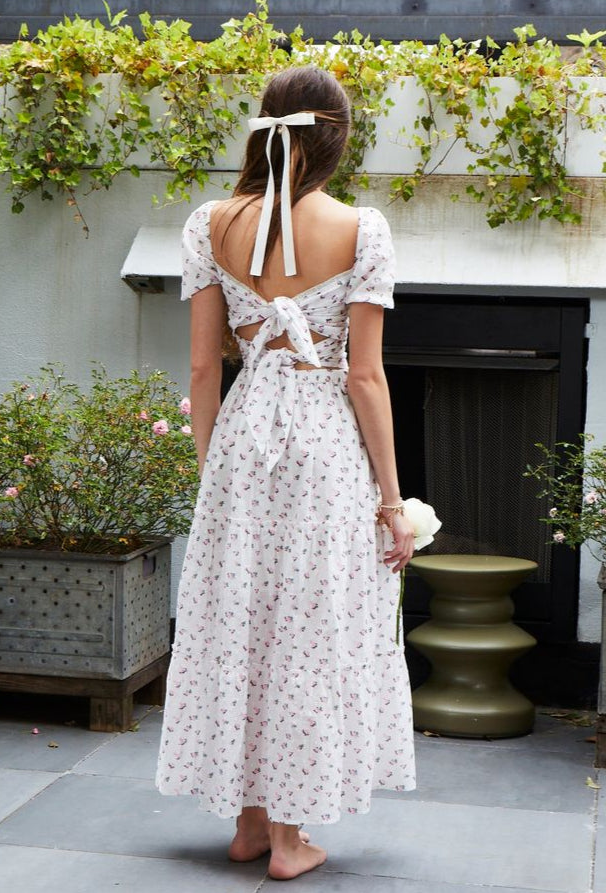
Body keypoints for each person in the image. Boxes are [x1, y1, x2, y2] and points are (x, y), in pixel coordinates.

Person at [155, 65, 416, 882]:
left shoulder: (209, 223)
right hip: (321, 447)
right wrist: (391, 502)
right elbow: (364, 376)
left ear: (264, 130)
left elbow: (204, 369)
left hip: (242, 442)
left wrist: (212, 474)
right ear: (336, 139)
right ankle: (289, 837)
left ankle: (246, 822)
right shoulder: (362, 229)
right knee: (307, 626)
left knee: (242, 621)